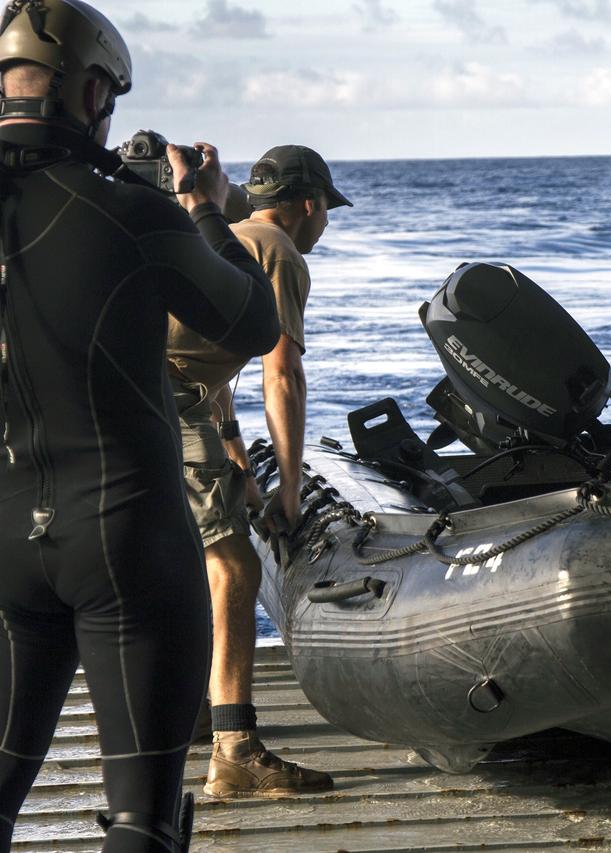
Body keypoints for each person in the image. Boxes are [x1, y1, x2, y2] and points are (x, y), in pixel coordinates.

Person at [0, 0, 279, 848]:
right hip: (128, 539)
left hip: (5, 540)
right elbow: (251, 324)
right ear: (89, 94)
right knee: (142, 822)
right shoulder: (135, 211)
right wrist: (204, 206)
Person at [167, 145, 350, 797]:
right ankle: (236, 751)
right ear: (310, 205)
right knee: (236, 565)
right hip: (164, 396)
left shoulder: (229, 236)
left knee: (187, 554)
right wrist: (291, 488)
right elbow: (283, 374)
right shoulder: (279, 251)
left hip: (143, 390)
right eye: (328, 209)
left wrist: (241, 464)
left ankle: (190, 710)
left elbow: (207, 358)